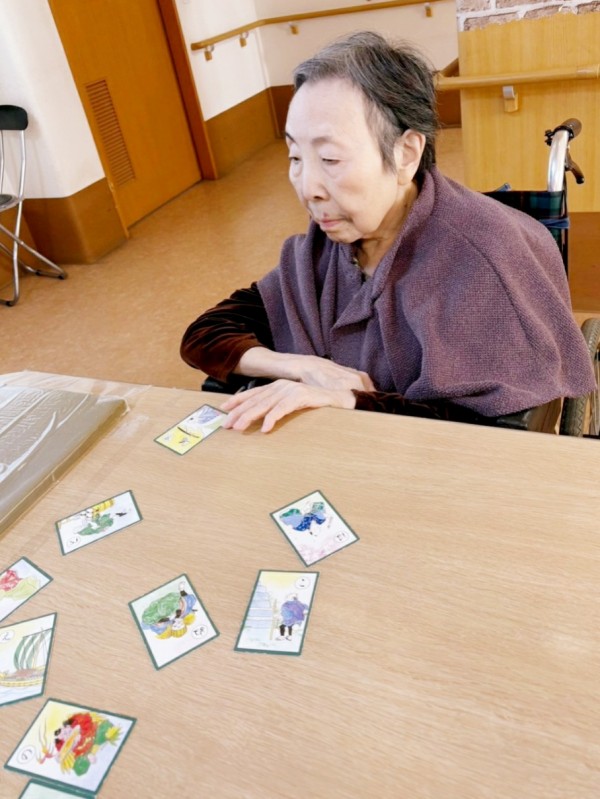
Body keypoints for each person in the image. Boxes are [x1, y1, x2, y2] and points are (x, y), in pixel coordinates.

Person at [180, 31, 595, 433]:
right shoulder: (323, 250)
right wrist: (305, 368)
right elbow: (206, 335)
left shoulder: (486, 261)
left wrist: (355, 401)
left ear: (406, 154)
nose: (308, 189)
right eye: (295, 157)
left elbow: (493, 434)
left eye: (329, 158)